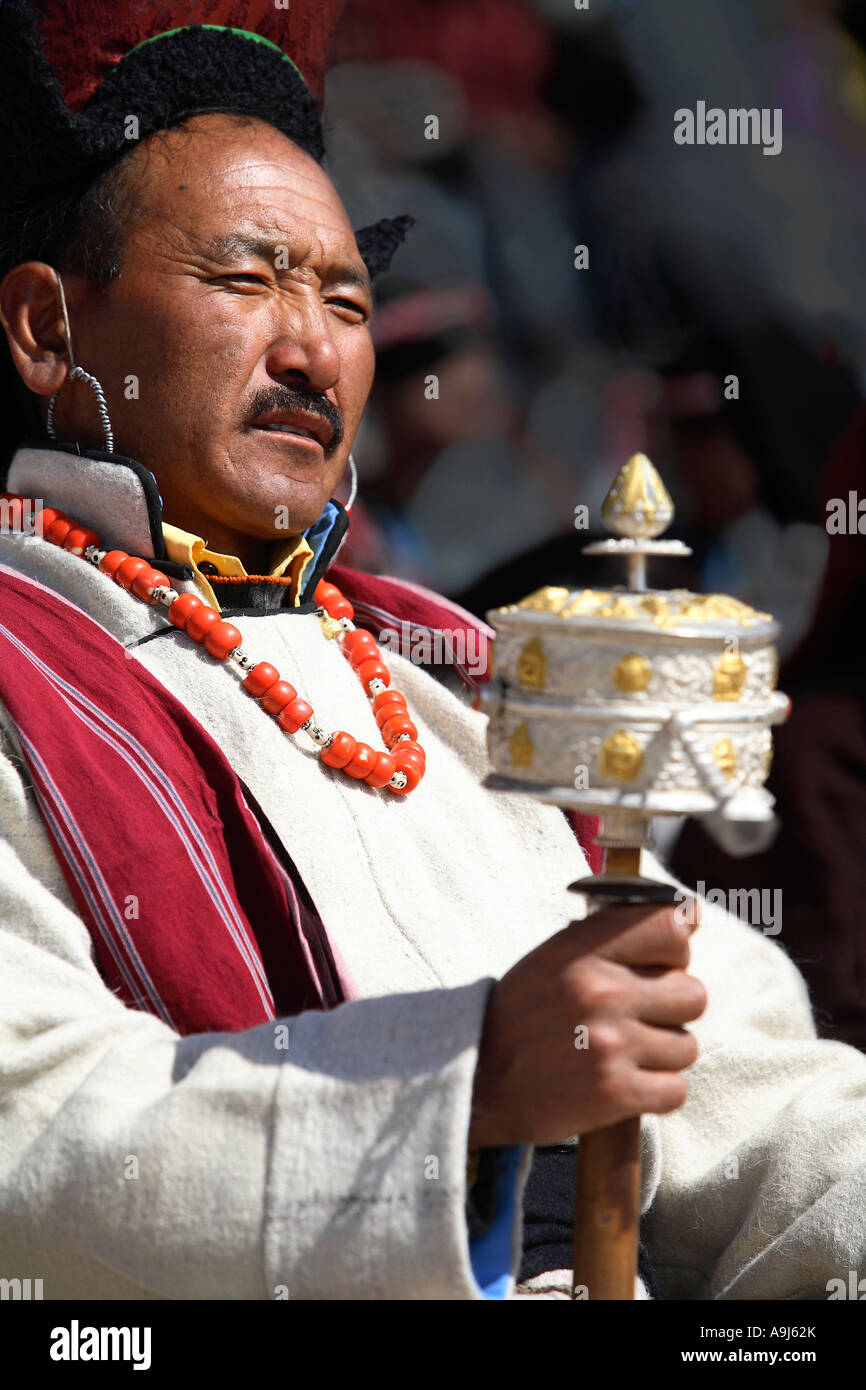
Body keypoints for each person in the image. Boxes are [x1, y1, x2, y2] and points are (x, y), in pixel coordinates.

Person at [0, 3, 865, 1302]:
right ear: (47, 332)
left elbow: (736, 1079)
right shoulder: (28, 673)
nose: (311, 349)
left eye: (345, 297)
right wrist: (461, 1088)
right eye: (244, 279)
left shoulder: (447, 678)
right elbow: (33, 1126)